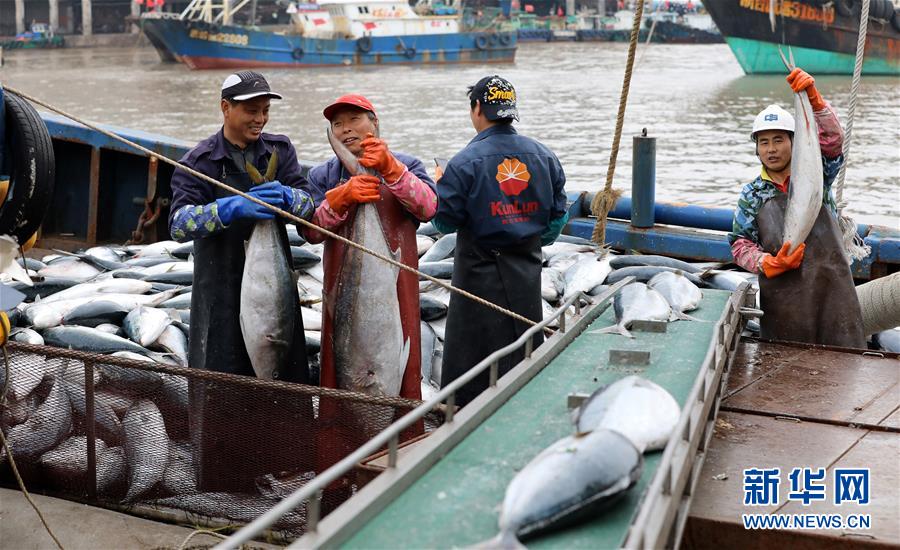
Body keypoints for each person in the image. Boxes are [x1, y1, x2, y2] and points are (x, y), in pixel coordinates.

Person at [168, 70, 316, 489]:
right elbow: (178, 224)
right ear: (225, 108)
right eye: (252, 110)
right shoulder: (198, 162)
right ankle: (227, 472)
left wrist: (290, 199)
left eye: (266, 111)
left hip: (272, 285)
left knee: (282, 365)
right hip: (220, 287)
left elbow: (308, 204)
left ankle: (287, 463)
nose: (260, 119)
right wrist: (227, 209)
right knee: (223, 373)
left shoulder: (280, 151)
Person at [432, 75, 568, 406]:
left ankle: (464, 419)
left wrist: (439, 186)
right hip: (525, 275)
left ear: (477, 107)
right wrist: (524, 235)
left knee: (470, 365)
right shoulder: (544, 157)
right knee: (522, 351)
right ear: (511, 111)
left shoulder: (464, 163)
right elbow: (556, 222)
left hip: (476, 279)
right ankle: (521, 409)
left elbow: (444, 222)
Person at [304, 94, 438, 400]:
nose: (346, 129)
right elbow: (310, 233)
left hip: (397, 285)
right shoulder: (322, 175)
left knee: (402, 359)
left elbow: (428, 208)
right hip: (342, 290)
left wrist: (392, 170)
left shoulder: (408, 164)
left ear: (374, 123)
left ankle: (405, 440)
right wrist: (338, 200)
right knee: (341, 364)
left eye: (355, 119)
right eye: (337, 124)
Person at [728, 67, 865, 348]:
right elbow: (740, 244)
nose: (772, 149)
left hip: (833, 290)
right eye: (764, 142)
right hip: (783, 301)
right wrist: (768, 262)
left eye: (779, 139)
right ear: (756, 149)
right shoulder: (752, 193)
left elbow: (832, 143)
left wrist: (815, 103)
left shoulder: (817, 175)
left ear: (795, 141)